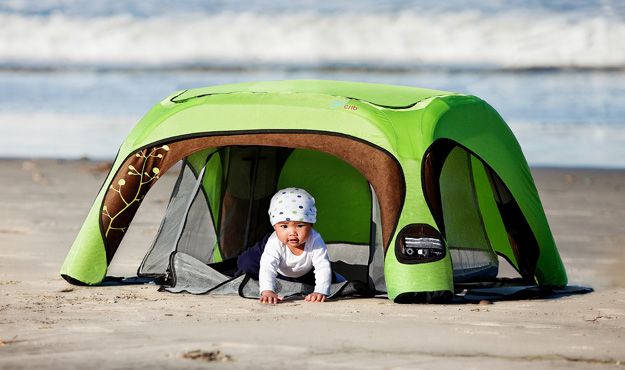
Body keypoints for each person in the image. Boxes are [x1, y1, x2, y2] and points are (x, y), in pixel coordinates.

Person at [236, 187, 332, 304]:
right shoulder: (274, 241)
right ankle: (254, 276)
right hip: (272, 257)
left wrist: (320, 291)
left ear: (311, 224)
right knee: (246, 262)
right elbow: (268, 266)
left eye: (300, 225)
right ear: (274, 226)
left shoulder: (315, 240)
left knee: (323, 277)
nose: (292, 232)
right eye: (284, 226)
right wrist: (267, 291)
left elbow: (322, 266)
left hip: (300, 270)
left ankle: (331, 276)